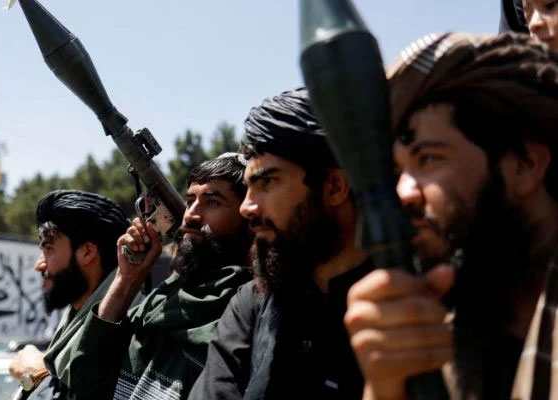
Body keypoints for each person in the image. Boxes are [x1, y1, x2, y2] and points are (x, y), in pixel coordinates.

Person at [345, 32, 558, 399]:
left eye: (428, 159)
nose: (404, 195)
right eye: (398, 173)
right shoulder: (443, 329)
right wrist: (385, 386)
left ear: (525, 164)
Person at [190, 88, 372, 399]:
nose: (247, 207)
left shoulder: (412, 306)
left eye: (267, 183)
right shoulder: (252, 304)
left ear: (334, 187)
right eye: (247, 188)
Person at [67, 154, 253, 400]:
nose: (191, 215)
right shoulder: (163, 303)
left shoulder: (246, 315)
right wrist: (127, 277)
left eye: (213, 202)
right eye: (190, 201)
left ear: (250, 217)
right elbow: (85, 382)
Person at [9, 190, 129, 399]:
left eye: (49, 249)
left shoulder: (124, 328)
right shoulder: (75, 320)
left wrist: (37, 375)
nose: (39, 265)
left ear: (87, 252)